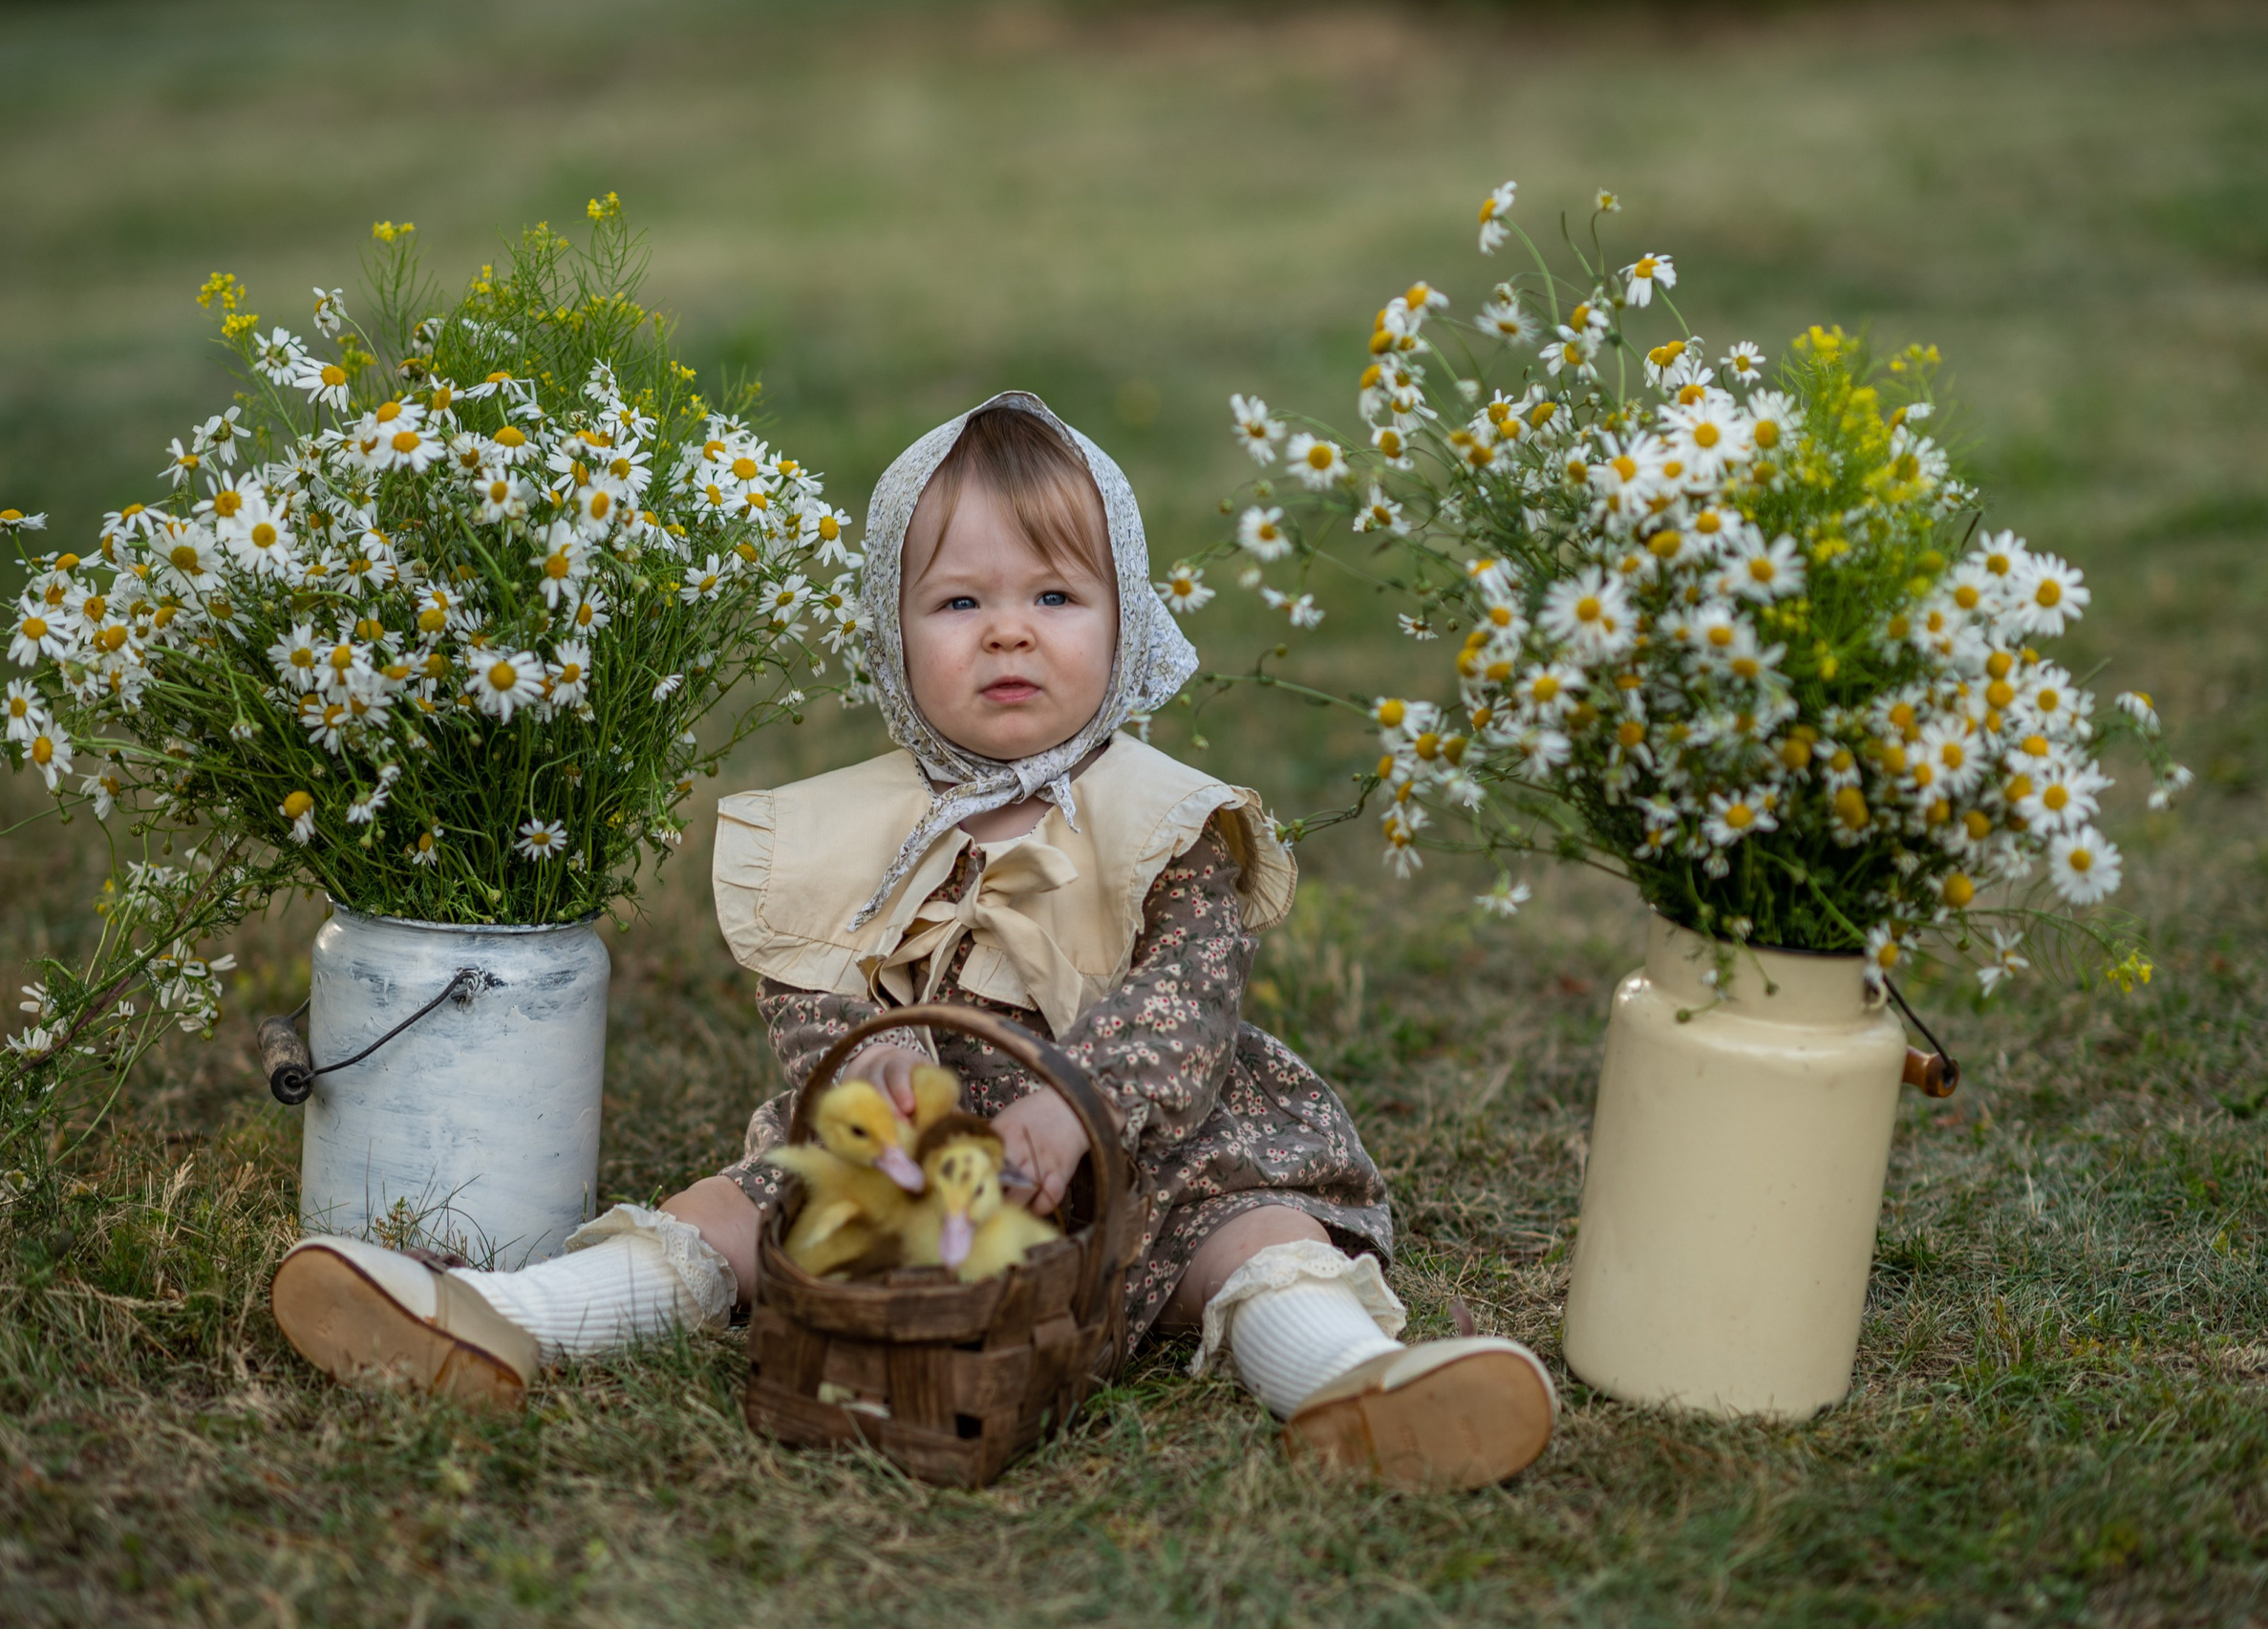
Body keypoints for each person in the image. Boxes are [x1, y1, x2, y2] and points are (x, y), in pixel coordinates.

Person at [269, 392, 1556, 1488]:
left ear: (1126, 617)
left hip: (1147, 1167)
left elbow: (1187, 1009)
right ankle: (511, 1318)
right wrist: (868, 1075)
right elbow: (812, 991)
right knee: (746, 1210)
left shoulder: (1167, 821)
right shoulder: (851, 827)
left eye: (1056, 594)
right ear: (893, 634)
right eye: (958, 600)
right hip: (906, 1176)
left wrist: (1077, 1106)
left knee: (1258, 1237)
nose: (1009, 629)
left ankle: (1348, 1380)